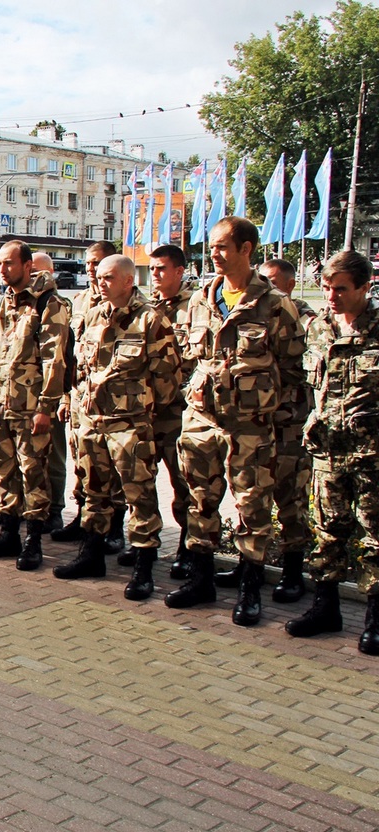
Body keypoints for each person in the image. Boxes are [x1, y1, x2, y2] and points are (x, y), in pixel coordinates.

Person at [167, 216, 305, 626]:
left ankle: (250, 588)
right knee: (199, 500)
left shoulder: (275, 304)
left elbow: (292, 371)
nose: (215, 254)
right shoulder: (200, 301)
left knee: (252, 507)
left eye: (223, 246)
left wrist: (282, 427)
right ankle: (201, 579)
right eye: (212, 247)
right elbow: (191, 359)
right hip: (202, 421)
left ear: (247, 249)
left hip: (251, 426)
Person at [52, 255, 180, 600]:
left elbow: (168, 378)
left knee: (139, 496)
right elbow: (82, 369)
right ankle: (91, 555)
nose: (100, 281)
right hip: (93, 423)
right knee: (94, 493)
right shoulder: (93, 316)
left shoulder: (151, 319)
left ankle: (142, 567)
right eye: (99, 276)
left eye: (109, 277)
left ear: (127, 280)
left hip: (131, 426)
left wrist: (142, 411)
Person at [286, 249, 379, 654]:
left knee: (376, 539)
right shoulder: (320, 328)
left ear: (365, 287)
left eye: (340, 289)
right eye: (326, 287)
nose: (331, 296)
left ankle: (376, 617)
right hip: (327, 454)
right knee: (326, 534)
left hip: (372, 455)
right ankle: (327, 608)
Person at [0, 240, 69, 571]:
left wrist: (46, 406)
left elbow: (53, 360)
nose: (3, 270)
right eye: (0, 264)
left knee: (33, 473)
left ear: (28, 266)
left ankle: (34, 541)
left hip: (29, 409)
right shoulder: (0, 304)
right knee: (4, 472)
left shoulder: (48, 304)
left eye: (9, 264)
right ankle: (9, 534)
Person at [52, 241, 126, 552]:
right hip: (82, 398)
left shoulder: (125, 303)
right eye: (89, 263)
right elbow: (70, 353)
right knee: (84, 463)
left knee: (116, 470)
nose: (91, 269)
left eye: (97, 262)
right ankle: (83, 517)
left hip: (116, 406)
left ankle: (116, 528)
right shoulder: (81, 301)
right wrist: (67, 396)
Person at [250, 256, 315, 602]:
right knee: (254, 497)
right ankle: (254, 567)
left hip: (289, 423)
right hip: (260, 422)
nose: (266, 287)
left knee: (291, 499)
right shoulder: (259, 312)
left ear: (289, 284)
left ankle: (292, 572)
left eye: (273, 282)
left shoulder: (306, 319)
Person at [147, 244, 197, 580]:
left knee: (185, 483)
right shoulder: (147, 308)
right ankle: (145, 543)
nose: (155, 274)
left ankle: (188, 545)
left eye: (161, 268)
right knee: (142, 481)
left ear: (179, 271)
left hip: (180, 412)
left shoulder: (195, 308)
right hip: (147, 412)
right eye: (151, 269)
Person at [31, 251, 70, 533]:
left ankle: (55, 508)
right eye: (31, 271)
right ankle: (32, 505)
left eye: (40, 273)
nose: (36, 278)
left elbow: (59, 356)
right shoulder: (22, 303)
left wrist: (58, 396)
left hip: (51, 392)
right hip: (24, 392)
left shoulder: (56, 304)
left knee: (54, 453)